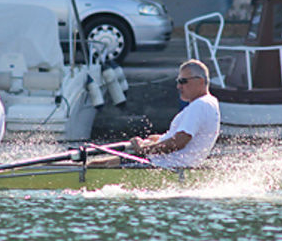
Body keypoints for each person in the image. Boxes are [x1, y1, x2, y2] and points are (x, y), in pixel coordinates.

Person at [92, 59, 220, 168]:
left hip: (163, 165)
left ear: (201, 81)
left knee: (95, 165)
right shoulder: (211, 103)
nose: (179, 86)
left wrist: (144, 149)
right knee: (99, 163)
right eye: (178, 81)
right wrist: (154, 140)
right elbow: (179, 137)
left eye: (183, 81)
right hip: (170, 163)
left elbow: (179, 141)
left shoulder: (199, 105)